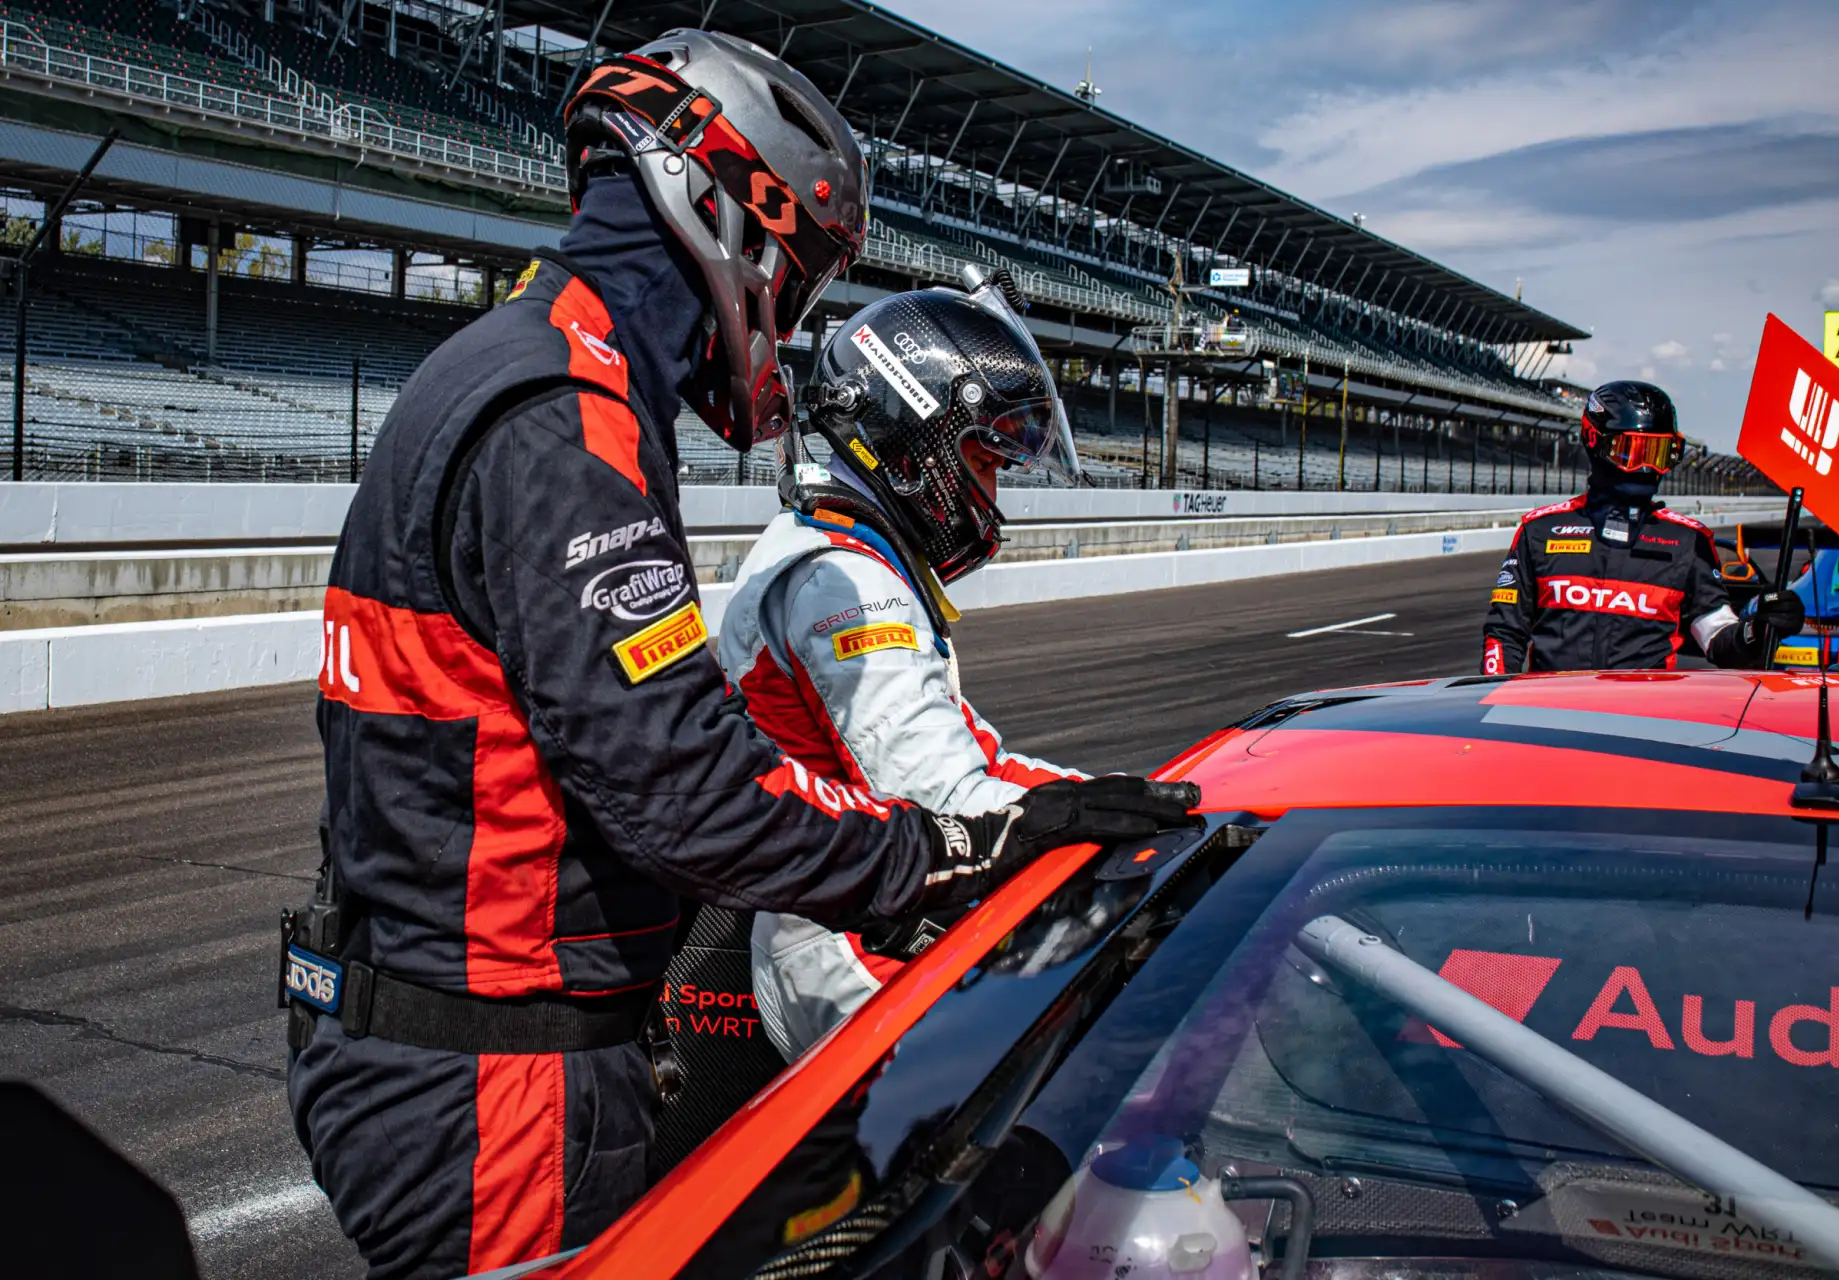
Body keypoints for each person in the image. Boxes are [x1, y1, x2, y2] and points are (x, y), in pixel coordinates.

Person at [281, 33, 1200, 1280]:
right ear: (728, 215)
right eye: (802, 273)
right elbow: (683, 787)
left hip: (428, 1029)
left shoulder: (502, 365)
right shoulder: (567, 414)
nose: (792, 316)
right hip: (493, 1072)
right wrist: (948, 851)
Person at [716, 276, 1095, 1061]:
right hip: (846, 940)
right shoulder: (842, 582)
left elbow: (977, 761)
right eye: (985, 463)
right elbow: (941, 799)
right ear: (916, 445)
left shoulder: (846, 551)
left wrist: (1113, 800)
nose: (991, 495)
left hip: (861, 906)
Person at [1482, 380, 1804, 673]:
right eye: (1633, 451)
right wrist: (1494, 703)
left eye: (1659, 453)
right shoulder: (1540, 531)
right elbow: (1504, 634)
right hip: (1549, 711)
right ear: (1595, 441)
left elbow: (1719, 639)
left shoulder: (1688, 542)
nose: (1647, 467)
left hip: (1641, 713)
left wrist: (1756, 631)